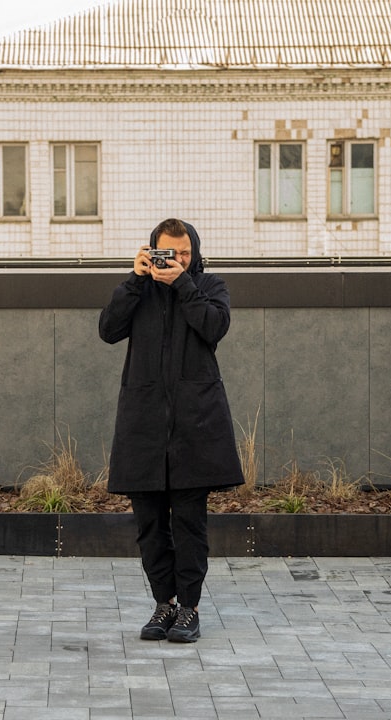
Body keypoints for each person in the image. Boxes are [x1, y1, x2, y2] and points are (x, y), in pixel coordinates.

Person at [98, 218, 244, 643]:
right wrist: (134, 279)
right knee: (148, 524)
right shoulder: (138, 290)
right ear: (151, 251)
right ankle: (165, 604)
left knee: (189, 523)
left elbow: (214, 327)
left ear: (195, 252)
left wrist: (183, 284)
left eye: (183, 253)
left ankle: (190, 609)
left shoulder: (210, 287)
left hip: (194, 425)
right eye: (167, 253)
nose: (176, 260)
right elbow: (108, 330)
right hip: (143, 425)